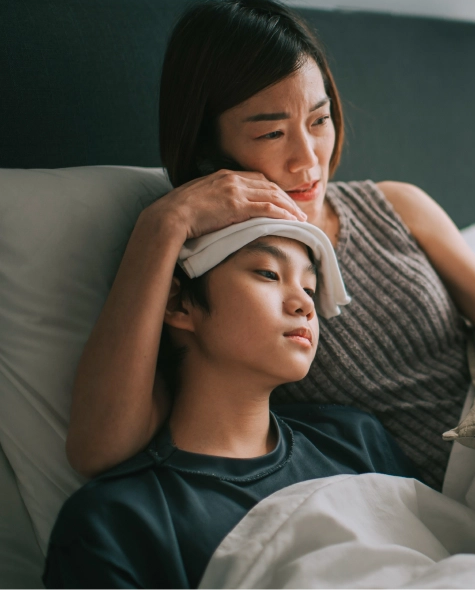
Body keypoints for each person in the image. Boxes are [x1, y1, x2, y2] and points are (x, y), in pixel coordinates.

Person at [65, 0, 475, 492]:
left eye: (319, 120)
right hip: (432, 500)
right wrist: (162, 225)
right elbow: (99, 446)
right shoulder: (214, 269)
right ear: (210, 147)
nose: (309, 159)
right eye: (270, 133)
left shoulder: (395, 204)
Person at [45, 233, 421, 590]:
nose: (305, 304)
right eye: (268, 274)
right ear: (179, 304)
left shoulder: (354, 439)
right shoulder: (115, 521)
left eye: (309, 287)